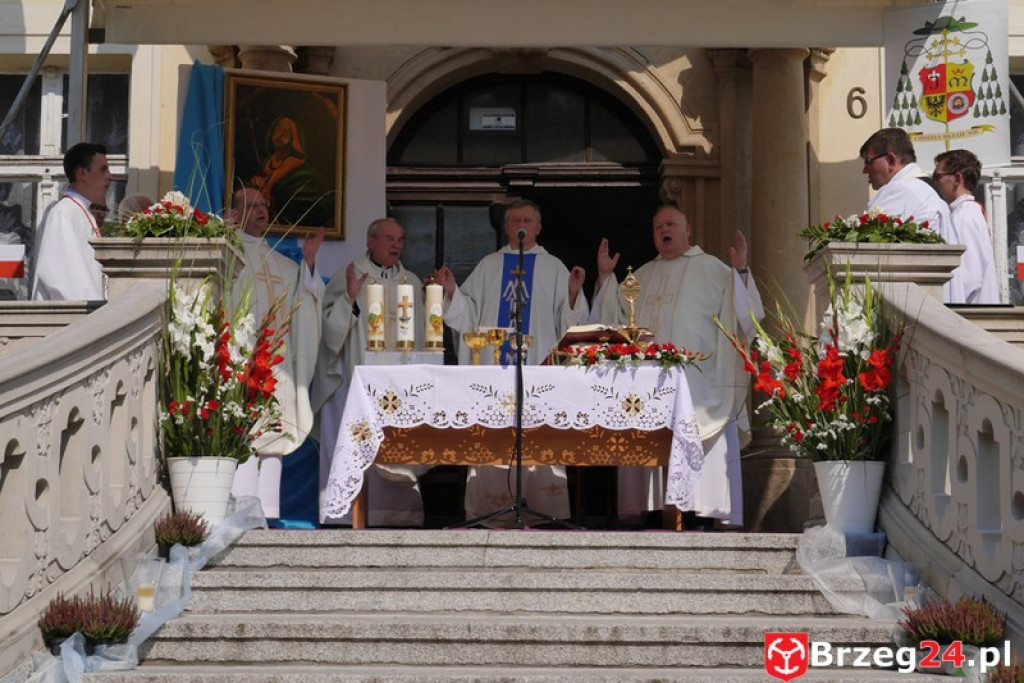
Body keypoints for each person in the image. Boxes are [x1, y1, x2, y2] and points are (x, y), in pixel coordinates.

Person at [591, 205, 764, 528]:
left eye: (671, 224)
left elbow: (745, 317)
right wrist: (605, 278)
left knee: (699, 432)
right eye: (658, 227)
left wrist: (740, 272)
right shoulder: (640, 276)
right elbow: (612, 323)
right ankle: (653, 509)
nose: (664, 230)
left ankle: (699, 511)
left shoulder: (713, 269)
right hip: (648, 384)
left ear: (688, 230)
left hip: (699, 381)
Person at [433, 199, 588, 524]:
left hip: (538, 373)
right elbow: (468, 317)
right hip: (495, 373)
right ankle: (492, 509)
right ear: (506, 227)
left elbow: (570, 324)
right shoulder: (489, 265)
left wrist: (574, 293)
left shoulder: (554, 267)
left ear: (538, 227)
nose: (521, 225)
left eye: (527, 220)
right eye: (515, 220)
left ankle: (544, 511)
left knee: (540, 432)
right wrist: (452, 291)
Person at [312, 217, 428, 527]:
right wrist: (349, 298)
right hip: (355, 380)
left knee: (396, 444)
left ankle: (395, 515)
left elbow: (421, 334)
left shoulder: (412, 283)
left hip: (399, 386)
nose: (396, 245)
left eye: (400, 239)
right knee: (355, 442)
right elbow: (328, 331)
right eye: (389, 239)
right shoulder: (348, 275)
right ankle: (346, 515)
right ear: (371, 241)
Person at [229, 187, 326, 521]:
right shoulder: (227, 252)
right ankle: (242, 510)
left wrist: (309, 264)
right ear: (236, 212)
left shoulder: (284, 265)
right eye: (253, 205)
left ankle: (268, 512)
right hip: (241, 358)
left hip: (275, 359)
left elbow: (306, 300)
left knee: (273, 435)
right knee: (243, 434)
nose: (262, 210)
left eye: (265, 205)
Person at [859, 127, 967, 303]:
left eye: (869, 162)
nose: (865, 170)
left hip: (922, 303)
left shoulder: (900, 190)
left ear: (891, 160)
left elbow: (862, 247)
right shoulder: (925, 189)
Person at [31, 142, 112, 300]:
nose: (110, 176)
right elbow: (65, 278)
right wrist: (95, 309)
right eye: (103, 169)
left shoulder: (81, 212)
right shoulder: (64, 213)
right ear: (82, 173)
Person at [932, 149, 1000, 305]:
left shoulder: (962, 218)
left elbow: (969, 278)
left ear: (957, 178)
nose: (935, 182)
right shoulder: (969, 212)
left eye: (937, 176)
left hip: (969, 311)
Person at [249, 116, 332, 229]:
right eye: (278, 129)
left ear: (295, 138)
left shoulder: (302, 172)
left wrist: (273, 204)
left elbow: (308, 210)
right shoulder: (264, 165)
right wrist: (254, 185)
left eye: (286, 131)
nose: (280, 134)